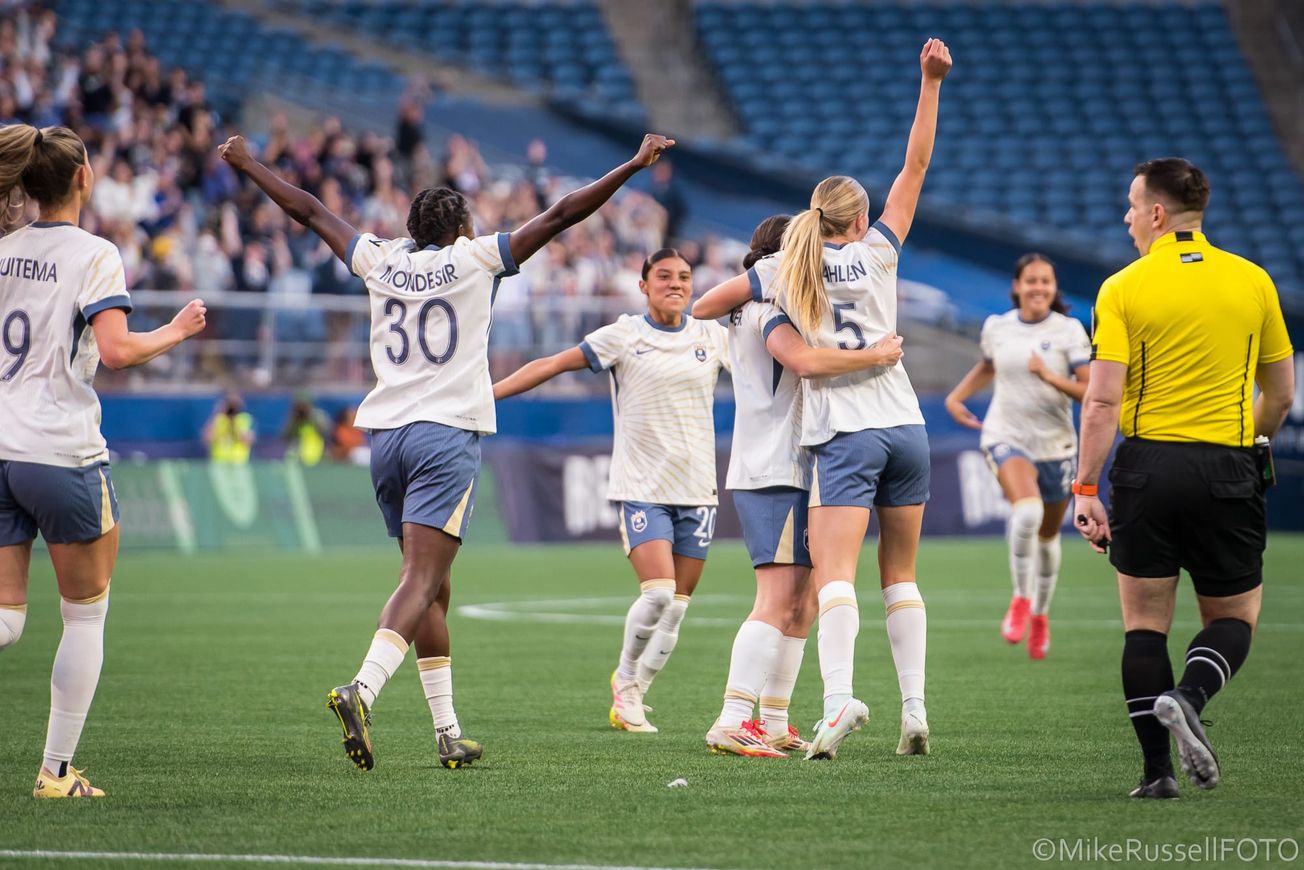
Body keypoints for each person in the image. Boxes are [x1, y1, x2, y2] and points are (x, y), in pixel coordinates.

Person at [220, 130, 674, 770]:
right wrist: (631, 165)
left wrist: (247, 164)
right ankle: (363, 688)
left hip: (386, 437)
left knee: (435, 588)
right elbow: (564, 213)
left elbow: (310, 210)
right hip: (445, 434)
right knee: (422, 578)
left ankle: (447, 732)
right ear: (461, 227)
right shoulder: (477, 258)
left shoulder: (380, 258)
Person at [704, 39, 951, 759]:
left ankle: (834, 701)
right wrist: (929, 84)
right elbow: (916, 165)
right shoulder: (879, 252)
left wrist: (743, 315)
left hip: (841, 434)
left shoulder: (784, 266)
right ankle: (913, 710)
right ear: (859, 215)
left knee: (829, 579)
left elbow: (714, 301)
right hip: (905, 421)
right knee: (896, 574)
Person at [1074, 158, 1294, 799]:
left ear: (1157, 214)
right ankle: (1190, 695)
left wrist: (1087, 487)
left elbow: (1101, 401)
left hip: (1147, 468)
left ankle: (1156, 775)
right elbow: (1280, 394)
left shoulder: (1122, 288)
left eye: (1131, 205)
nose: (1126, 217)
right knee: (1236, 616)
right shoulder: (1253, 282)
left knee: (1144, 624)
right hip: (1228, 464)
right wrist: (1250, 445)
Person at [0, 124, 206, 798]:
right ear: (83, 180)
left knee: (7, 618)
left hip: (0, 445)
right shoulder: (95, 254)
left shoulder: (3, 248)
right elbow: (115, 352)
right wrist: (175, 330)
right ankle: (55, 773)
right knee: (85, 615)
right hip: (59, 450)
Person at [690, 215, 905, 757]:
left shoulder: (762, 304)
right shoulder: (765, 308)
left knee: (802, 604)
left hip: (791, 465)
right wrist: (873, 355)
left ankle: (776, 720)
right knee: (777, 598)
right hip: (775, 467)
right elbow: (805, 362)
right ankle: (733, 716)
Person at [494, 248, 726, 733]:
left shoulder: (713, 337)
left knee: (678, 607)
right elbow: (555, 364)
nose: (675, 284)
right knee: (659, 593)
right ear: (643, 285)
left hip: (699, 487)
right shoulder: (624, 335)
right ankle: (624, 679)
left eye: (683, 277)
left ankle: (636, 693)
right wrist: (488, 394)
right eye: (663, 276)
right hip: (643, 485)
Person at [945, 254, 1091, 659]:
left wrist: (1049, 377)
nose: (1038, 288)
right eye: (1031, 281)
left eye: (1046, 281)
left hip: (1056, 444)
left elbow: (1090, 391)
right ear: (1017, 286)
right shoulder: (998, 327)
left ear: (1054, 288)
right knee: (1025, 514)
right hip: (1006, 434)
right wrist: (957, 397)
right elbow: (988, 366)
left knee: (1047, 537)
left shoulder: (1069, 331)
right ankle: (1020, 599)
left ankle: (1041, 615)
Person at [203, 390, 255, 463]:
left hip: (239, 461)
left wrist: (234, 423)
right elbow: (207, 438)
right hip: (219, 461)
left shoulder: (245, 419)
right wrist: (216, 413)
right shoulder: (218, 419)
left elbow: (247, 440)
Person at [282, 392, 331, 466]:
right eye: (299, 406)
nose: (302, 409)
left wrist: (310, 416)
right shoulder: (294, 419)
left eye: (304, 405)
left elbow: (326, 433)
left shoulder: (319, 415)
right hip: (299, 456)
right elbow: (285, 436)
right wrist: (295, 421)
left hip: (318, 454)